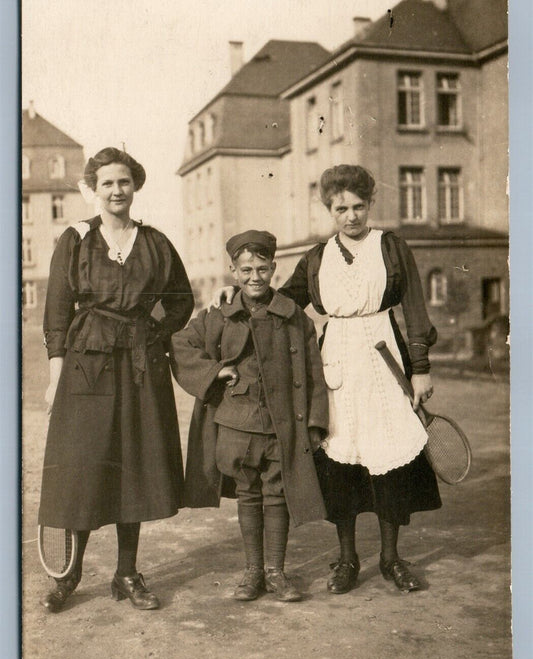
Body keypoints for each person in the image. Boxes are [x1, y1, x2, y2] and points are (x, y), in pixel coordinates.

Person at [213, 165, 441, 594]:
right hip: (336, 363)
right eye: (341, 209)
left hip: (384, 358)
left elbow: (414, 309)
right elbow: (283, 302)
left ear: (370, 204)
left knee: (389, 456)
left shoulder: (390, 247)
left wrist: (421, 367)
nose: (351, 216)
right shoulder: (317, 257)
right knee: (341, 462)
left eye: (358, 206)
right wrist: (236, 295)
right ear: (329, 210)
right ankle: (347, 559)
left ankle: (391, 558)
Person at [39, 147, 194, 612]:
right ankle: (71, 573)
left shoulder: (155, 242)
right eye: (107, 183)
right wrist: (54, 375)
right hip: (87, 364)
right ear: (94, 188)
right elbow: (56, 312)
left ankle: (126, 573)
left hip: (140, 365)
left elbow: (182, 300)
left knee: (136, 463)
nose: (116, 190)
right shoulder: (76, 239)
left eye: (124, 182)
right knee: (85, 465)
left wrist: (155, 331)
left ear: (135, 186)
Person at [171, 230, 328, 602]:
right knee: (248, 494)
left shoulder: (294, 318)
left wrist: (315, 422)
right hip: (236, 424)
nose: (254, 277)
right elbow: (180, 344)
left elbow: (314, 371)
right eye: (245, 270)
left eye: (261, 269)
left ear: (274, 268)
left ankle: (276, 572)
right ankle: (252, 573)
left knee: (277, 495)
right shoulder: (220, 314)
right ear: (233, 271)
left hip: (281, 425)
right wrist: (215, 372)